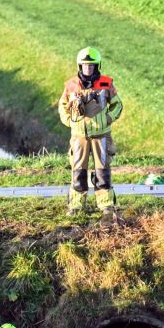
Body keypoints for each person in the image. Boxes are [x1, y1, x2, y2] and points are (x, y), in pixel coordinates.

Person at [58, 46, 124, 227]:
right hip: (78, 137)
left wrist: (108, 119)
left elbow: (118, 105)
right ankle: (76, 206)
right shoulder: (71, 85)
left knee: (102, 172)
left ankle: (106, 206)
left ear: (97, 66)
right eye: (85, 66)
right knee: (78, 171)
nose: (88, 69)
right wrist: (69, 122)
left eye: (91, 66)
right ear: (80, 66)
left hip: (101, 136)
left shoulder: (106, 84)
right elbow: (62, 106)